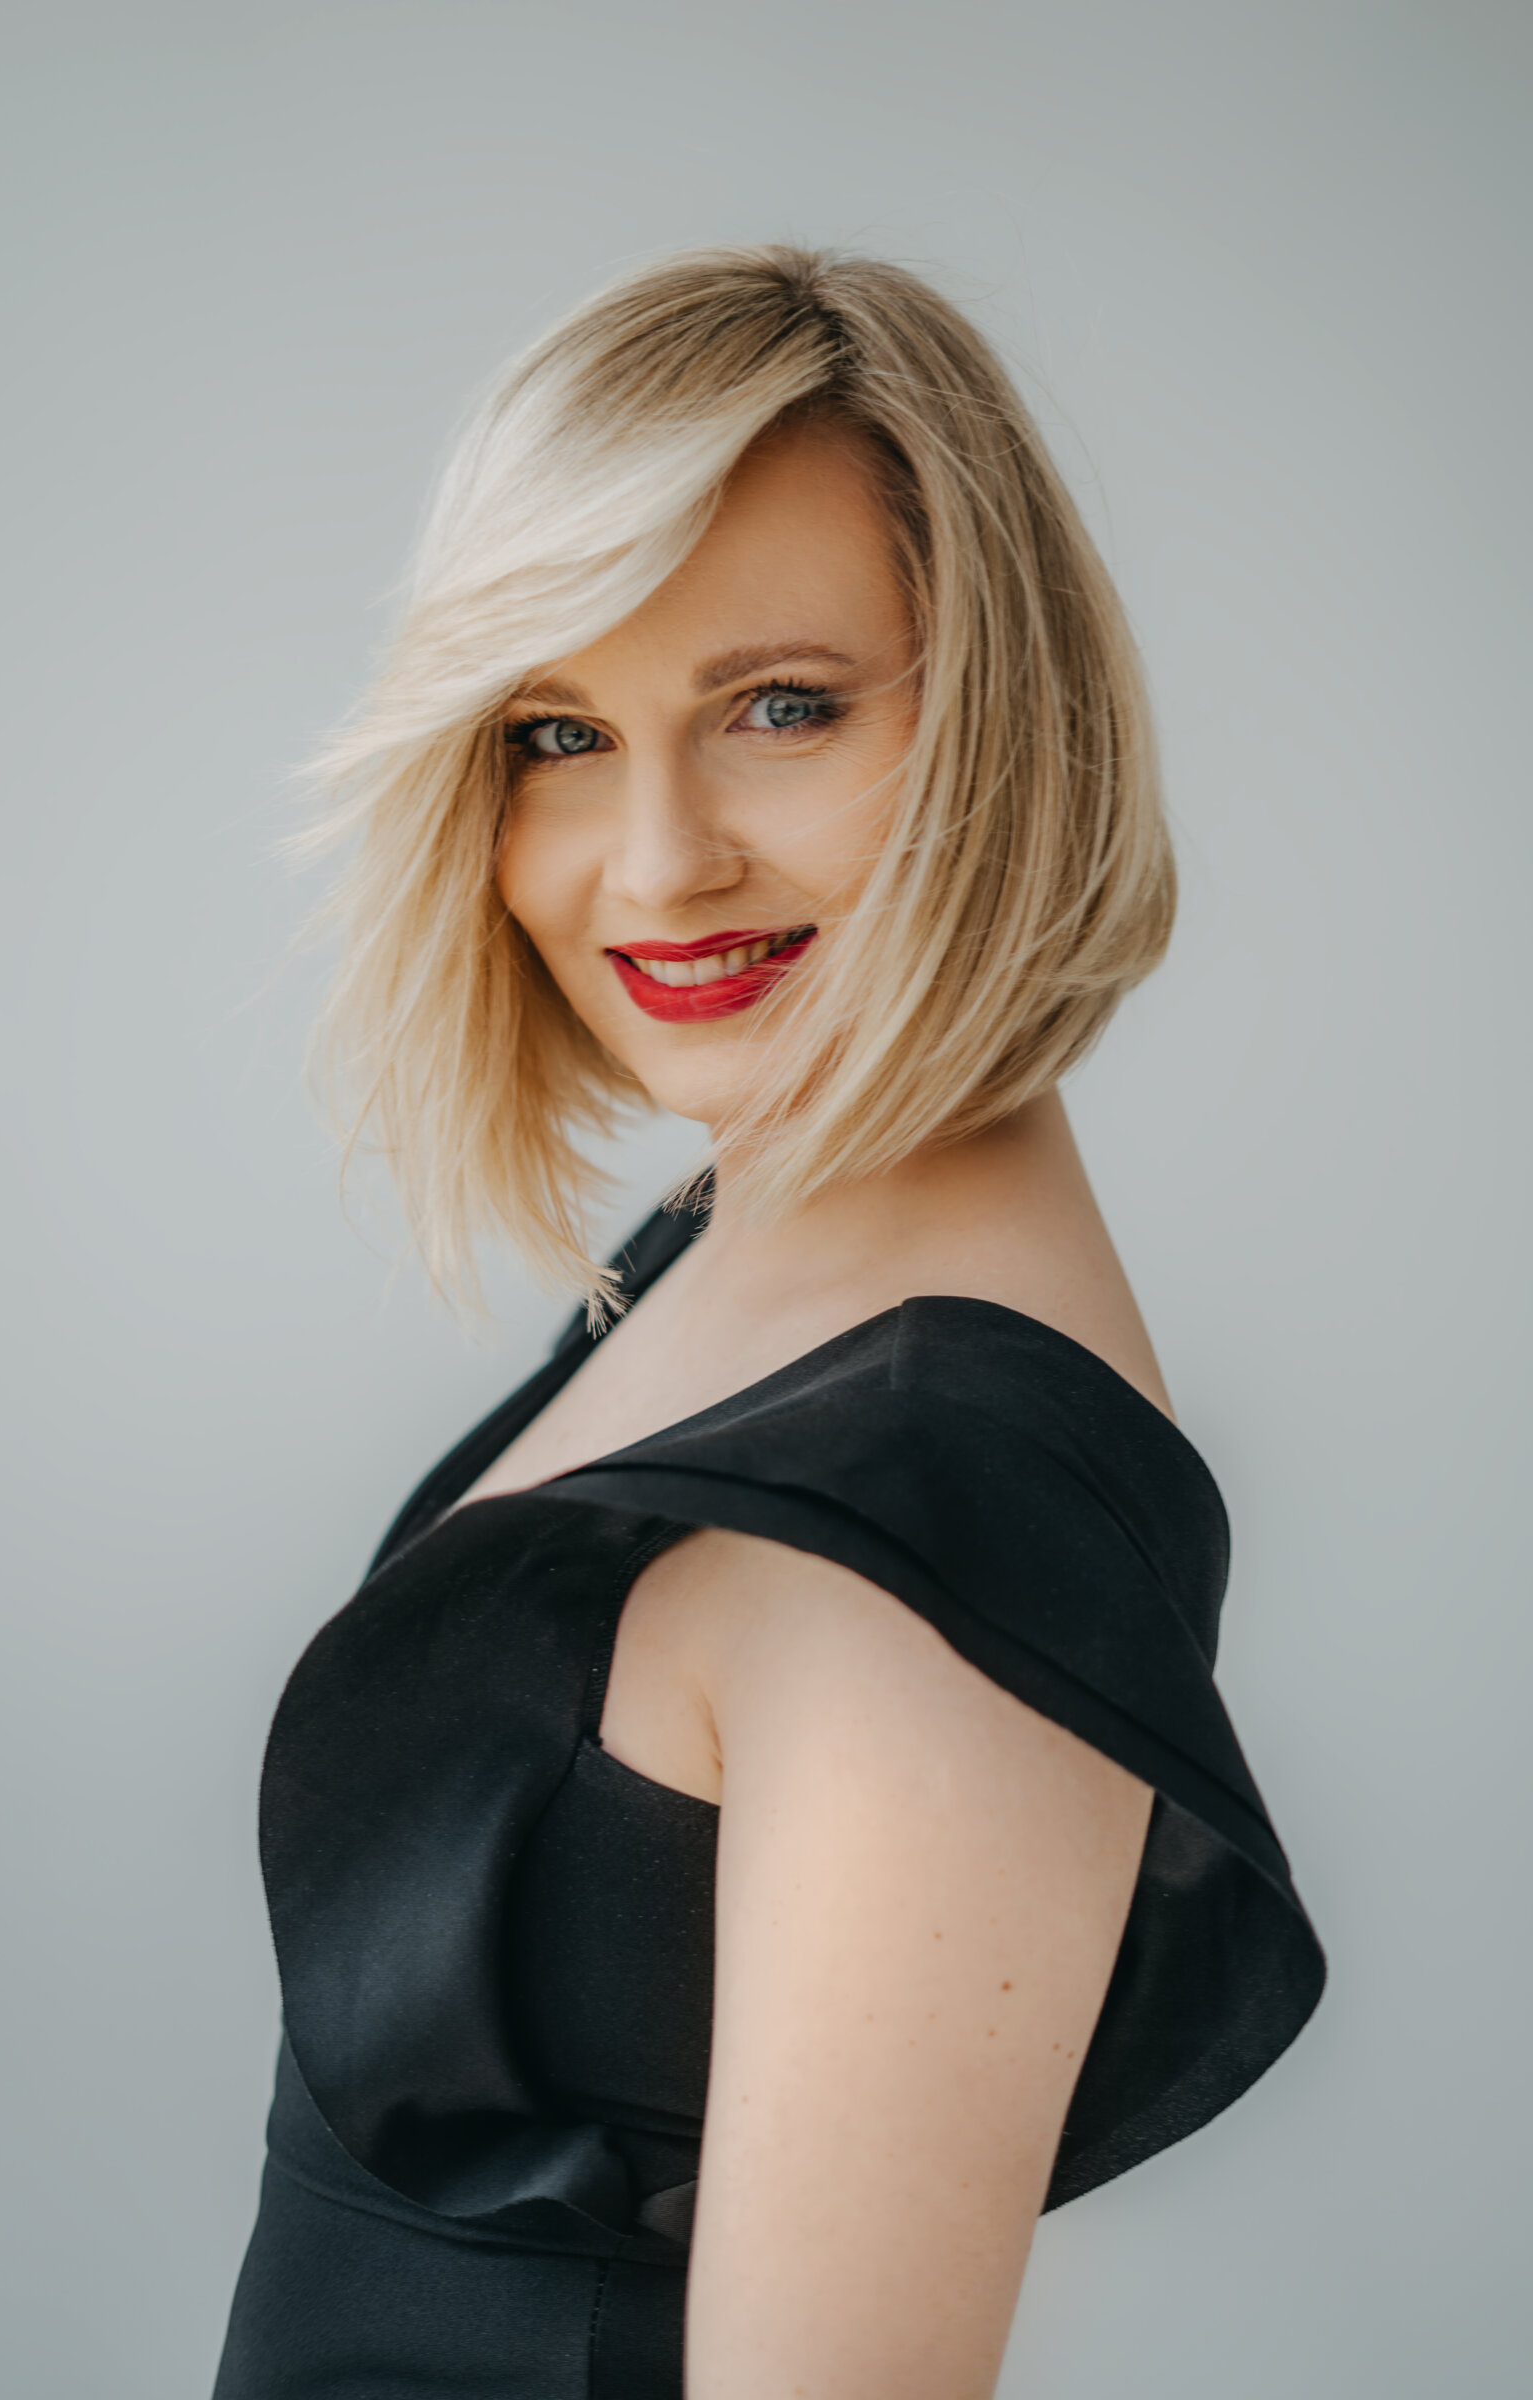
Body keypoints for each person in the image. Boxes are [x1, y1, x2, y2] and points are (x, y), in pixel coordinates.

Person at [213, 246, 1324, 2400]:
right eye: (557, 733)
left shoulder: (925, 1541)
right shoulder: (740, 1238)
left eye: (781, 707)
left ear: (1011, 716)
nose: (654, 865)